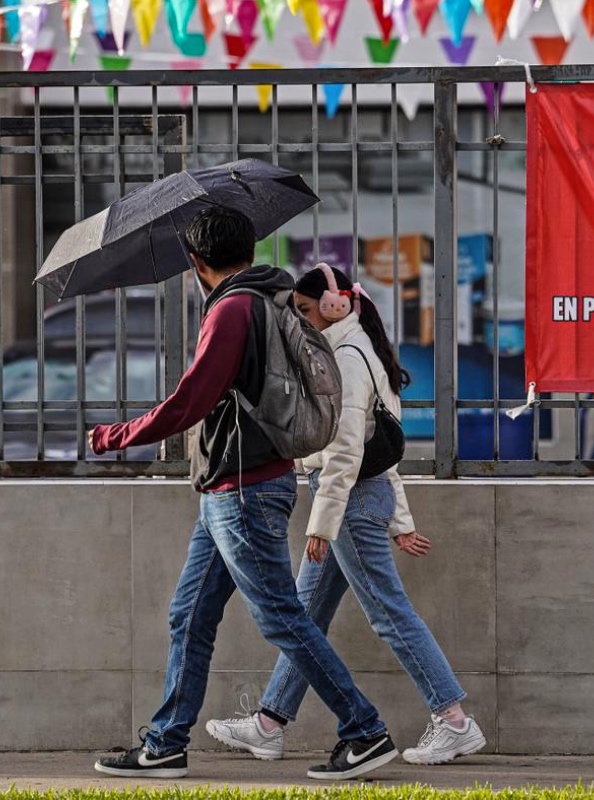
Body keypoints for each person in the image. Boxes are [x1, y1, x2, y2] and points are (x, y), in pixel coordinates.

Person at [90, 208, 397, 781]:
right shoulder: (269, 296)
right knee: (190, 612)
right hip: (232, 487)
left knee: (281, 616)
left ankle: (365, 731)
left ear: (196, 261)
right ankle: (166, 742)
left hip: (244, 488)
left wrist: (115, 436)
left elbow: (190, 401)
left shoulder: (233, 310)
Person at [204, 265, 487, 766]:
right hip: (351, 500)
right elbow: (385, 451)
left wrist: (321, 524)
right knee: (305, 613)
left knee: (388, 613)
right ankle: (270, 724)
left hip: (347, 504)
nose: (304, 322)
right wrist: (399, 521)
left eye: (308, 311)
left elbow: (348, 452)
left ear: (335, 305)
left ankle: (455, 721)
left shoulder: (348, 358)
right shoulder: (354, 349)